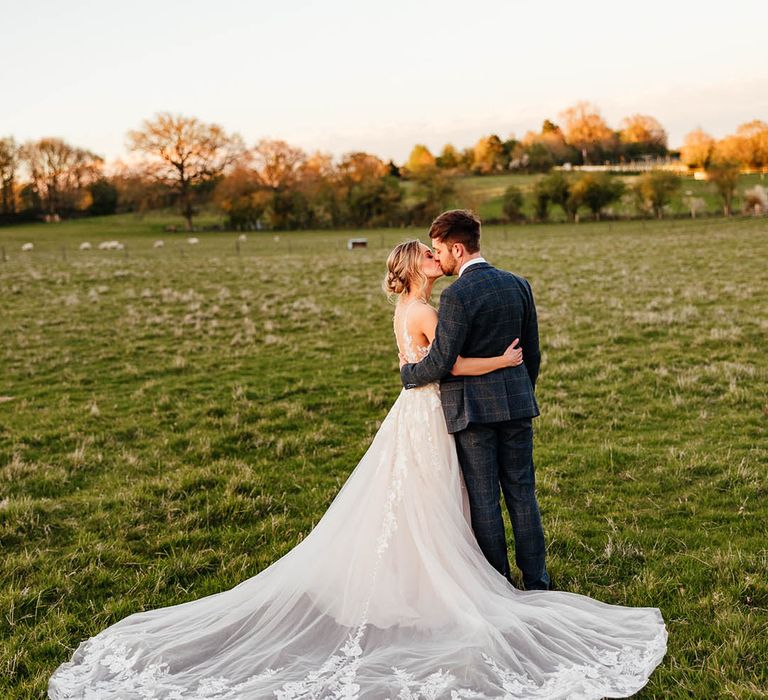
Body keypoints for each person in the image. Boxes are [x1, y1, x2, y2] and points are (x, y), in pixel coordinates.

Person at [48, 235, 667, 700]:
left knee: (441, 499)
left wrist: (440, 369)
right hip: (435, 407)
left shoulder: (420, 308)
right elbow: (443, 367)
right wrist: (505, 363)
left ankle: (471, 574)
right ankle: (487, 581)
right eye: (425, 256)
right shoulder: (430, 310)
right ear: (416, 268)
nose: (433, 259)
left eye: (434, 252)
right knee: (448, 499)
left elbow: (427, 366)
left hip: (424, 413)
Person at [399, 209, 549, 591]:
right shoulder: (519, 284)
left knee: (484, 501)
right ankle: (538, 582)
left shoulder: (456, 296)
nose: (438, 257)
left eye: (439, 250)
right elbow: (532, 354)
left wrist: (408, 374)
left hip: (473, 412)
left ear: (458, 249)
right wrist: (519, 390)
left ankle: (499, 584)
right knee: (522, 494)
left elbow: (442, 362)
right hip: (517, 406)